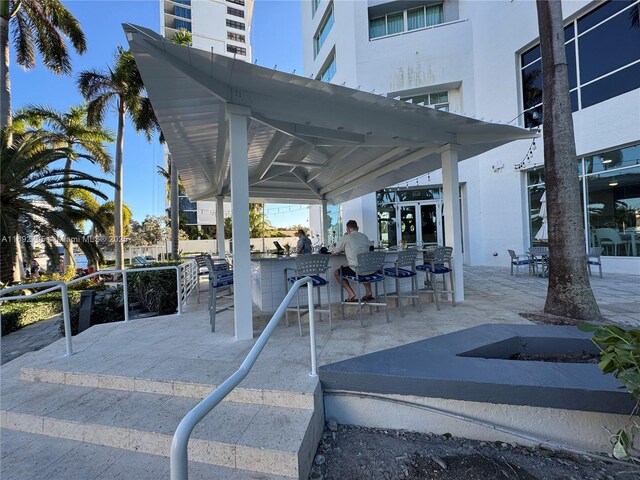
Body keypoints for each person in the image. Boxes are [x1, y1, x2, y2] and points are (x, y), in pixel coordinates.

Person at [331, 220, 374, 302]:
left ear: (348, 229)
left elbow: (335, 251)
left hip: (357, 270)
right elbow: (370, 246)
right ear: (357, 228)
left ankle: (351, 294)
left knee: (337, 273)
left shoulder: (346, 237)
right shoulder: (364, 236)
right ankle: (368, 292)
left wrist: (331, 249)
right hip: (369, 268)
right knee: (363, 266)